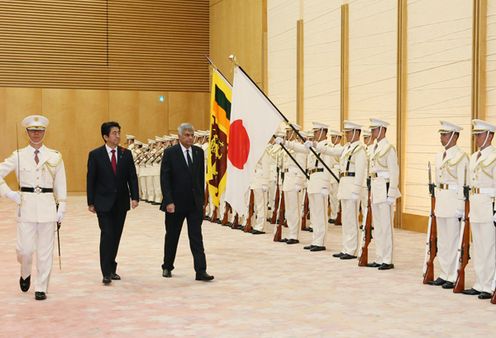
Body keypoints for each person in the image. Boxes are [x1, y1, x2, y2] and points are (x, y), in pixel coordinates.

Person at [0, 115, 67, 300]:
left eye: (40, 130)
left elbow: (60, 184)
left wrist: (62, 206)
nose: (36, 133)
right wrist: (9, 193)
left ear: (45, 131)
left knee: (45, 251)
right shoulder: (19, 156)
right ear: (26, 132)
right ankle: (25, 272)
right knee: (25, 250)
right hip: (26, 207)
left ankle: (41, 287)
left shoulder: (54, 156)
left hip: (47, 207)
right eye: (32, 130)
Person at [86, 121, 139, 285]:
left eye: (118, 132)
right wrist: (91, 201)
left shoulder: (126, 153)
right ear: (105, 136)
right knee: (107, 234)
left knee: (116, 236)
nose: (118, 135)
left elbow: (132, 177)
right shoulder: (95, 155)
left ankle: (112, 266)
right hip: (103, 203)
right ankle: (106, 272)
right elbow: (91, 179)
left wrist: (135, 197)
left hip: (121, 203)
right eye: (114, 133)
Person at [160, 123, 214, 281]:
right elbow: (165, 179)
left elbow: (199, 178)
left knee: (196, 237)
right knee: (172, 236)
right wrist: (168, 201)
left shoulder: (198, 152)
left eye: (192, 135)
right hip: (175, 204)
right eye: (187, 135)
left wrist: (202, 200)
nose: (191, 138)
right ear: (180, 136)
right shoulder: (170, 153)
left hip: (194, 204)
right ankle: (167, 266)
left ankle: (201, 270)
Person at [426, 121, 467, 288]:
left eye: (444, 134)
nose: (441, 138)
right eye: (441, 134)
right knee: (442, 240)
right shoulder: (439, 156)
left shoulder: (461, 157)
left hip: (452, 202)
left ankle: (452, 275)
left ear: (454, 136)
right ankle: (444, 273)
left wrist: (460, 206)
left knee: (452, 240)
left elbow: (463, 183)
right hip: (442, 200)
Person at [462, 119, 496, 300]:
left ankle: (489, 285)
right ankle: (479, 282)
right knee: (478, 247)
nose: (477, 138)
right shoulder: (474, 157)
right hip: (475, 205)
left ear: (490, 136)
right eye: (475, 135)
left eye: (480, 135)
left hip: (488, 205)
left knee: (489, 247)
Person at [366, 118, 400, 270]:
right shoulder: (373, 148)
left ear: (382, 130)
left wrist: (392, 192)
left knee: (386, 226)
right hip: (376, 187)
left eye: (374, 129)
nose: (372, 132)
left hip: (385, 188)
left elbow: (394, 172)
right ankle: (379, 257)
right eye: (372, 129)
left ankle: (387, 259)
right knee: (378, 226)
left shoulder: (389, 148)